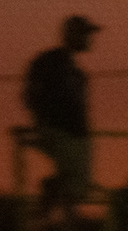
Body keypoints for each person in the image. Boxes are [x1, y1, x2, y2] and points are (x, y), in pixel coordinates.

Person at [22, 14, 99, 217]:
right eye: (84, 34)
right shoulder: (50, 61)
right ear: (71, 35)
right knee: (76, 183)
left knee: (77, 185)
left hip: (73, 134)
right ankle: (56, 203)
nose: (89, 39)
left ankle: (58, 204)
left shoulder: (77, 73)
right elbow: (31, 95)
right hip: (60, 131)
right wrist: (43, 122)